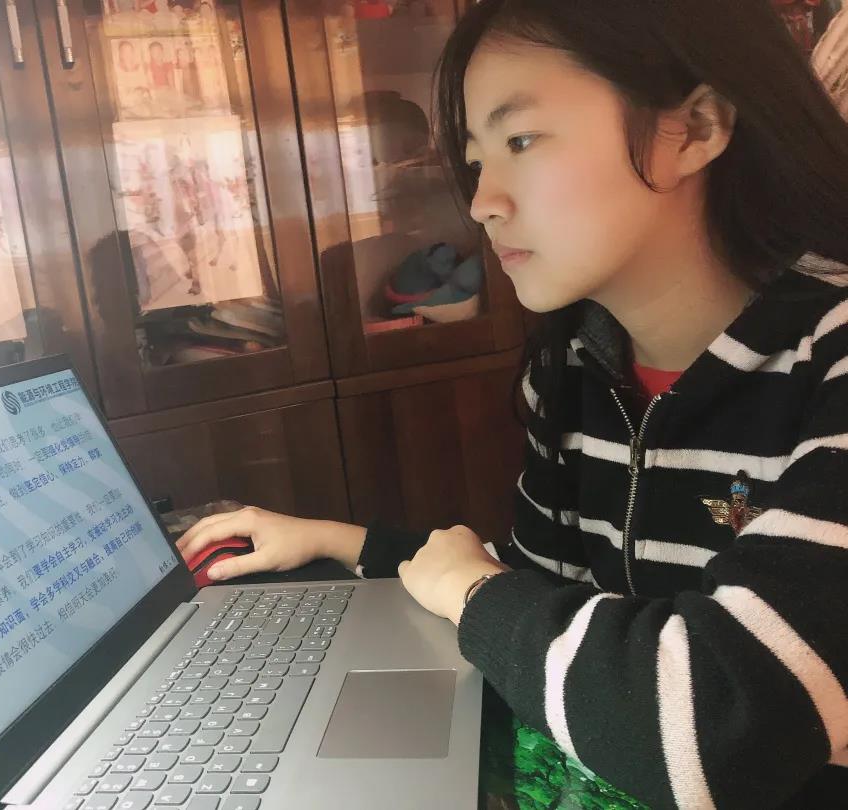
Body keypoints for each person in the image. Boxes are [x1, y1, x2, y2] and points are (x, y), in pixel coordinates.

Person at [176, 0, 848, 807]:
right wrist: (338, 542)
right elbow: (533, 597)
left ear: (695, 129)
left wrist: (469, 590)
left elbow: (720, 731)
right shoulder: (577, 371)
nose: (481, 201)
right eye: (475, 159)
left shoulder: (832, 364)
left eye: (520, 141)